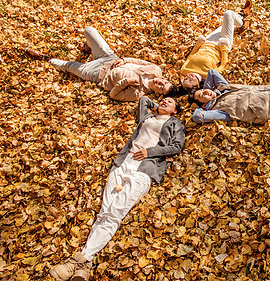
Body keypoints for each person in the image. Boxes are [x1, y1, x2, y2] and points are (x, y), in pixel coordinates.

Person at [49, 96, 185, 281]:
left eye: (169, 103)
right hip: (124, 162)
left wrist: (149, 152)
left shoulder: (175, 124)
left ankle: (78, 261)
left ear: (175, 111)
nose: (164, 102)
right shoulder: (147, 118)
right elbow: (143, 99)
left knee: (116, 211)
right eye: (163, 100)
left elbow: (176, 147)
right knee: (105, 211)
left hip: (145, 167)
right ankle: (85, 266)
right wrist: (157, 105)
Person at [26, 27, 174, 102]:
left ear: (157, 94)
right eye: (165, 82)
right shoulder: (156, 70)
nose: (160, 82)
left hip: (99, 74)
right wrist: (123, 60)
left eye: (161, 87)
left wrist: (126, 82)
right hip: (109, 58)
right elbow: (138, 61)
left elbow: (114, 94)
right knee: (89, 31)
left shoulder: (137, 94)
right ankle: (87, 48)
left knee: (70, 66)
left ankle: (47, 59)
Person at [180, 1, 252, 92]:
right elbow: (223, 65)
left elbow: (191, 55)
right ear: (197, 85)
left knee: (227, 23)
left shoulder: (184, 70)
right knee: (228, 14)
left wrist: (199, 43)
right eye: (190, 80)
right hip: (221, 45)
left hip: (207, 42)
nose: (188, 77)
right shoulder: (208, 75)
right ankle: (242, 22)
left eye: (185, 79)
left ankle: (241, 16)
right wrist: (224, 48)